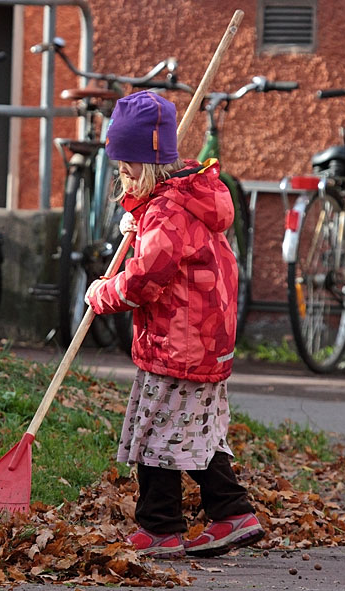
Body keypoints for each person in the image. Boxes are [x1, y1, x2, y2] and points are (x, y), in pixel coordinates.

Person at [84, 90, 265, 559]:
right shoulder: (185, 197)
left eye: (127, 170)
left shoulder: (167, 212)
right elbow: (170, 243)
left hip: (180, 343)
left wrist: (101, 293)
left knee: (156, 434)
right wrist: (138, 222)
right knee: (192, 430)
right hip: (199, 339)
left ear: (145, 165)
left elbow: (143, 281)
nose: (123, 179)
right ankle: (232, 513)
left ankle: (160, 527)